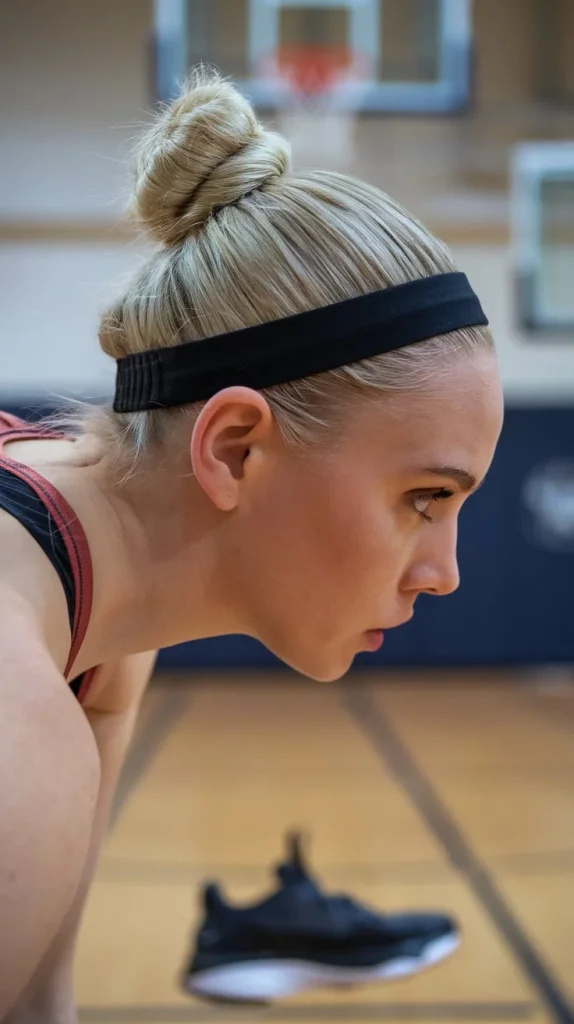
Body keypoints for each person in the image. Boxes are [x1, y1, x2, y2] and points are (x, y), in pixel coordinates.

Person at [0, 70, 502, 1021]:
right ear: (234, 449)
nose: (444, 574)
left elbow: (38, 1003)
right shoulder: (17, 738)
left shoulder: (96, 607)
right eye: (424, 497)